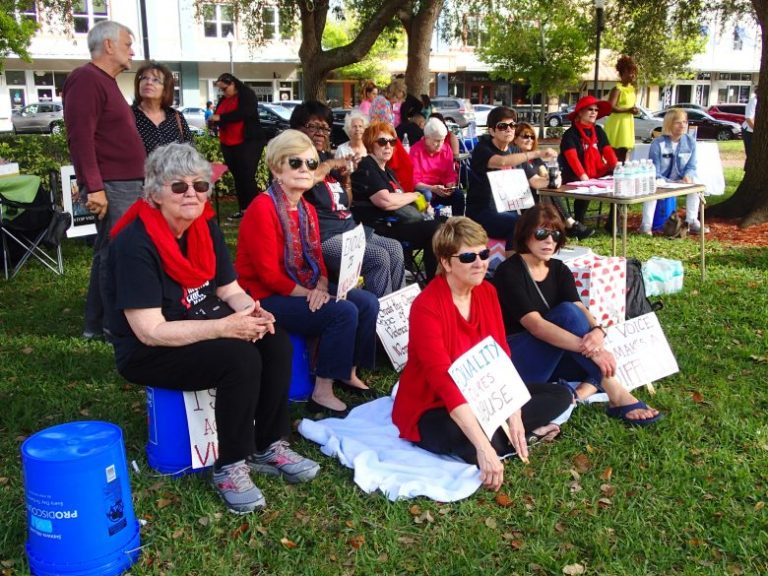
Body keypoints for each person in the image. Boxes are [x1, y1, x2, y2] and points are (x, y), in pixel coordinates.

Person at [106, 144, 318, 514]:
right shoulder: (134, 243)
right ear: (155, 192)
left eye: (201, 185)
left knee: (275, 340)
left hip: (202, 320)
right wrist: (224, 327)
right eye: (179, 186)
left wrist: (253, 312)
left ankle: (268, 445)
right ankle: (230, 464)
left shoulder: (203, 225)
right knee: (239, 359)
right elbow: (150, 330)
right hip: (149, 349)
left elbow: (228, 289)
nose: (192, 193)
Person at [392, 217, 572, 491]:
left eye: (484, 253)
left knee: (560, 395)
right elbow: (443, 382)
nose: (479, 263)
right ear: (446, 262)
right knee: (465, 437)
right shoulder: (426, 306)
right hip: (435, 403)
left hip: (482, 395)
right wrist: (483, 447)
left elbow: (501, 357)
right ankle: (501, 441)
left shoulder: (487, 292)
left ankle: (509, 436)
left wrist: (512, 415)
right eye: (467, 256)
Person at [236, 130, 380, 417]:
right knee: (342, 311)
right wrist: (313, 293)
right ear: (277, 167)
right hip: (265, 296)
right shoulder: (262, 208)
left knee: (367, 302)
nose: (305, 170)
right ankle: (322, 392)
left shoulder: (305, 208)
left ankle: (347, 371)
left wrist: (323, 283)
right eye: (295, 163)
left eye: (311, 164)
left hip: (303, 285)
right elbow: (268, 276)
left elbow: (316, 259)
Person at [493, 204, 663, 426]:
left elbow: (581, 308)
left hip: (554, 355)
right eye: (541, 233)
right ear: (525, 234)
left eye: (555, 234)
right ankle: (617, 394)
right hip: (519, 357)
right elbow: (535, 325)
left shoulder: (559, 268)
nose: (549, 241)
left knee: (603, 353)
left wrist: (597, 332)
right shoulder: (510, 271)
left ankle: (580, 394)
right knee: (568, 316)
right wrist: (591, 351)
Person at [62, 20, 146, 341]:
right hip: (112, 185)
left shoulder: (105, 81)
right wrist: (94, 185)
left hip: (123, 183)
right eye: (127, 44)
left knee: (108, 252)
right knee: (119, 253)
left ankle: (95, 324)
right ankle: (116, 327)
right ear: (108, 45)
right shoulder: (86, 79)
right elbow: (80, 137)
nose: (132, 51)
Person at [291, 101, 405, 297]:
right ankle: (378, 319)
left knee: (394, 249)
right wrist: (331, 164)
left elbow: (346, 202)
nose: (321, 132)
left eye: (325, 128)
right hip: (324, 237)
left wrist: (345, 180)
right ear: (297, 128)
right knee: (378, 257)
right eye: (314, 126)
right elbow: (307, 180)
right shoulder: (295, 159)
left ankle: (397, 315)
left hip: (349, 230)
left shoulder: (325, 156)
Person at [351, 121, 440, 281]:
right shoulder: (366, 166)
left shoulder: (387, 170)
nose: (388, 146)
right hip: (377, 229)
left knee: (445, 225)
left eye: (391, 142)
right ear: (371, 144)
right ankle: (434, 281)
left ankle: (434, 275)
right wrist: (414, 196)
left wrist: (421, 205)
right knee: (435, 228)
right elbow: (385, 201)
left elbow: (398, 198)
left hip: (395, 223)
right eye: (382, 142)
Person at [467, 106, 557, 252]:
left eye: (512, 125)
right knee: (519, 224)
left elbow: (534, 181)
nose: (509, 129)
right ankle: (513, 269)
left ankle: (531, 263)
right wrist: (536, 153)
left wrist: (552, 179)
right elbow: (503, 161)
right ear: (491, 131)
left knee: (541, 221)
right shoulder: (482, 149)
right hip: (483, 212)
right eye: (502, 126)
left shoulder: (515, 151)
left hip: (509, 210)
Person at [513, 122, 593, 239]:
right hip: (524, 198)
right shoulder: (516, 158)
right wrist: (551, 180)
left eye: (532, 137)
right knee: (548, 190)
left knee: (548, 190)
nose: (529, 139)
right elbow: (537, 182)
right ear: (515, 139)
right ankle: (568, 224)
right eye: (525, 136)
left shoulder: (535, 159)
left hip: (539, 194)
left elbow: (546, 174)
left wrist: (554, 177)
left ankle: (565, 225)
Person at [208, 73, 266, 220]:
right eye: (221, 90)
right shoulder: (224, 99)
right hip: (229, 142)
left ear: (233, 84)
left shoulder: (247, 95)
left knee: (247, 175)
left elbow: (244, 113)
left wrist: (221, 118)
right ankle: (244, 209)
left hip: (248, 141)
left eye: (225, 88)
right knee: (238, 177)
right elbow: (218, 115)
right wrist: (214, 120)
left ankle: (254, 211)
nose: (223, 92)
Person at [641, 108, 705, 234]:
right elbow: (655, 170)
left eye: (685, 122)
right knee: (653, 188)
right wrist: (668, 181)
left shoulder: (690, 142)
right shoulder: (658, 143)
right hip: (662, 179)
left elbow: (692, 165)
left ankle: (691, 221)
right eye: (678, 122)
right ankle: (646, 226)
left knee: (697, 186)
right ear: (669, 123)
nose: (682, 125)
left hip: (681, 179)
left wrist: (688, 175)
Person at [558, 96, 617, 226]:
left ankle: (611, 224)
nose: (594, 112)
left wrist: (617, 168)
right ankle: (579, 223)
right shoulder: (570, 134)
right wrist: (584, 178)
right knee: (583, 187)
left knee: (620, 181)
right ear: (580, 112)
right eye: (590, 109)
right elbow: (572, 159)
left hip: (597, 171)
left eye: (596, 110)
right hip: (574, 174)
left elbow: (608, 152)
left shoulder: (599, 131)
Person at [132, 61, 193, 155]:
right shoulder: (129, 116)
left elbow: (190, 150)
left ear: (165, 90)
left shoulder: (176, 117)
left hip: (175, 170)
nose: (149, 82)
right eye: (144, 78)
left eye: (156, 80)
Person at [410, 117, 465, 216]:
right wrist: (432, 188)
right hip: (424, 191)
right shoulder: (415, 150)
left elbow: (450, 174)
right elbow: (414, 182)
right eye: (436, 140)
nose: (440, 144)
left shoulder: (446, 148)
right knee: (427, 194)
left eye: (442, 140)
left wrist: (450, 185)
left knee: (458, 195)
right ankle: (427, 223)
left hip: (441, 190)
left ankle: (458, 225)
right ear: (426, 138)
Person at [603, 56, 639, 163]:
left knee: (624, 151)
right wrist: (628, 110)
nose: (633, 75)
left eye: (634, 73)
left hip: (627, 123)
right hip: (617, 124)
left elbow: (630, 105)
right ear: (622, 74)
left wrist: (635, 110)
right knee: (615, 152)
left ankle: (621, 172)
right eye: (630, 72)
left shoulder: (632, 89)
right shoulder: (617, 89)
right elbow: (611, 107)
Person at [743, 84, 757, 160]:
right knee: (751, 154)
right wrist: (757, 132)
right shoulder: (753, 102)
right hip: (749, 131)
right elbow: (749, 119)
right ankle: (749, 170)